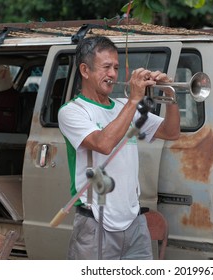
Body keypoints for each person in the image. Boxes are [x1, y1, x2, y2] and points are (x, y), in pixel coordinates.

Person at [58, 35, 180, 260]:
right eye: (106, 67)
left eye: (115, 67)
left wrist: (170, 94)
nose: (113, 74)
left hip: (134, 222)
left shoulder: (124, 106)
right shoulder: (72, 111)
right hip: (95, 221)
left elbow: (171, 132)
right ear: (85, 70)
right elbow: (103, 144)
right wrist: (134, 101)